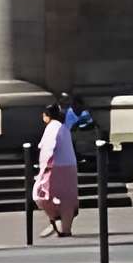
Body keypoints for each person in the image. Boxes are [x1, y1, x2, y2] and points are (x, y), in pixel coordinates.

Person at [33, 99, 81, 239]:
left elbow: (48, 149)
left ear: (46, 116)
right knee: (67, 198)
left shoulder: (52, 128)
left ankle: (56, 217)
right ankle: (66, 228)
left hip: (55, 167)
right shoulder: (63, 127)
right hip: (70, 166)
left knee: (41, 195)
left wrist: (42, 170)